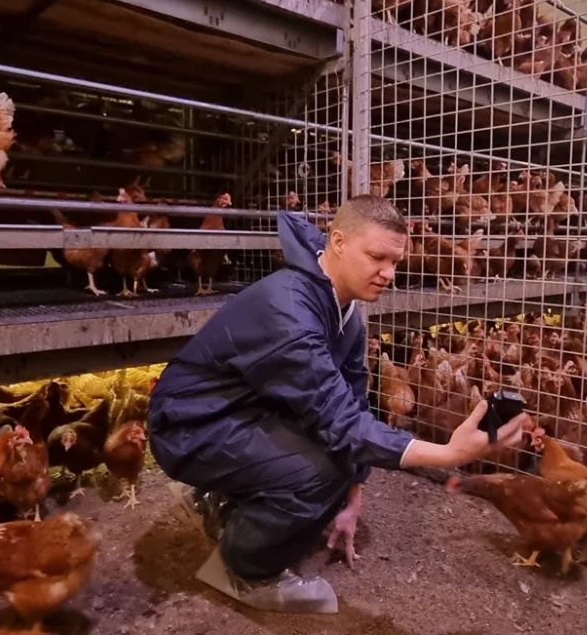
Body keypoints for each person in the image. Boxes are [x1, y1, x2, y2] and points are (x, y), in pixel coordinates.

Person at [148, 195, 532, 614]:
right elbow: (344, 424)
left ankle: (218, 498)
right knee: (321, 471)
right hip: (189, 429)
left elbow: (352, 400)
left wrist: (352, 498)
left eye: (396, 262)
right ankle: (243, 569)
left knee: (337, 464)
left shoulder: (344, 309)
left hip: (235, 411)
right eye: (377, 257)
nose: (388, 274)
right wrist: (447, 454)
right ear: (338, 242)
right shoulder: (291, 311)